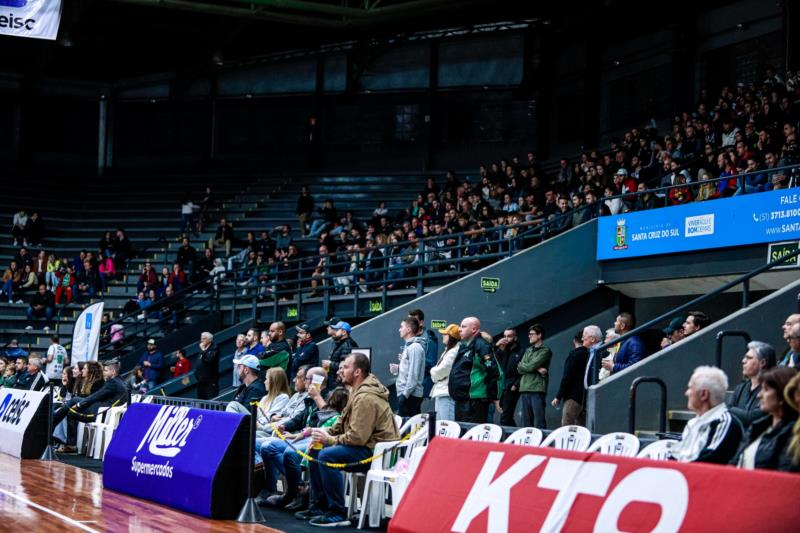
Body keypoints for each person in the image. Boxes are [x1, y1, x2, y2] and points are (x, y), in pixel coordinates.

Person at [306, 353, 399, 527]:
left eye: (345, 367)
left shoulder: (365, 397)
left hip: (376, 453)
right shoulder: (357, 391)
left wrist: (330, 440)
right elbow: (341, 423)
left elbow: (357, 438)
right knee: (316, 448)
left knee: (326, 455)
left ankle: (337, 512)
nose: (341, 371)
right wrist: (322, 434)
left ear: (357, 372)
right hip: (366, 446)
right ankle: (318, 506)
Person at [53, 359, 127, 453]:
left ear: (113, 372)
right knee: (71, 413)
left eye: (106, 371)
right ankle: (71, 445)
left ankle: (52, 421)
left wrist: (79, 405)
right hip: (104, 412)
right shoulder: (120, 382)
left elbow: (95, 396)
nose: (103, 373)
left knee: (75, 400)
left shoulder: (112, 383)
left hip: (101, 414)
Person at [673, 366, 743, 464]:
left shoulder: (724, 422)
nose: (686, 393)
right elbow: (676, 455)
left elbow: (709, 460)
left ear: (704, 394)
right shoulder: (693, 423)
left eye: (690, 388)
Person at [735, 367, 798, 471]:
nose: (759, 395)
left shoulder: (793, 435)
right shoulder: (756, 428)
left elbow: (783, 478)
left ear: (782, 395)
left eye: (766, 390)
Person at [449, 317, 501, 424]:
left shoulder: (481, 345)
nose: (459, 329)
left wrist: (495, 397)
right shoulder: (465, 346)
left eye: (463, 326)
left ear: (473, 329)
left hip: (474, 402)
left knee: (471, 435)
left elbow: (495, 372)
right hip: (461, 400)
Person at [552, 327, 596, 427]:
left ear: (574, 341)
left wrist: (558, 396)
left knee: (566, 426)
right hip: (584, 398)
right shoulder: (590, 355)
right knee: (580, 427)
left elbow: (566, 377)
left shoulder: (574, 355)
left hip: (572, 397)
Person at [728, 341, 776, 427]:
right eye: (744, 357)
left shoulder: (772, 389)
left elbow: (752, 418)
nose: (743, 361)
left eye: (749, 358)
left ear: (762, 363)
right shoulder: (740, 388)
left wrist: (729, 409)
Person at [518, 324, 552, 429]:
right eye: (529, 334)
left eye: (532, 334)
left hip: (537, 388)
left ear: (539, 335)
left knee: (539, 422)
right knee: (526, 423)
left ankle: (541, 444)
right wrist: (537, 368)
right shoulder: (528, 350)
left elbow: (529, 366)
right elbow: (519, 367)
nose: (529, 336)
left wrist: (531, 366)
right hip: (524, 387)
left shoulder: (545, 350)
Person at [393, 316, 426, 417]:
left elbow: (414, 374)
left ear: (408, 330)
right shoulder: (410, 346)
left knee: (408, 430)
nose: (399, 329)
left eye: (401, 326)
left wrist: (405, 395)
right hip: (408, 395)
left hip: (410, 396)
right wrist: (399, 368)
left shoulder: (415, 347)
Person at [430, 324, 460, 422]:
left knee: (446, 424)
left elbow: (441, 370)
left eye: (445, 334)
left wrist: (432, 371)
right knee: (440, 424)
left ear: (451, 337)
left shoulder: (454, 351)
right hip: (442, 391)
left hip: (446, 392)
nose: (443, 336)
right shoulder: (449, 350)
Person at [495, 327, 522, 426]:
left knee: (505, 418)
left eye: (509, 336)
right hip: (502, 387)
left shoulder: (521, 352)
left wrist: (515, 384)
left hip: (512, 388)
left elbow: (523, 372)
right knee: (507, 417)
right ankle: (513, 438)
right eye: (505, 336)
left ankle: (505, 440)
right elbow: (489, 358)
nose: (506, 339)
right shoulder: (502, 351)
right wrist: (497, 345)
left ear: (515, 338)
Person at [324, 321, 357, 390]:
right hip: (335, 381)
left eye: (337, 330)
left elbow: (345, 366)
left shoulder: (347, 345)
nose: (334, 332)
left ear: (344, 332)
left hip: (341, 383)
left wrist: (330, 364)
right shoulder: (340, 343)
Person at [195, 331, 220, 399]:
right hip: (201, 380)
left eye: (203, 339)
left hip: (210, 381)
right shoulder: (203, 348)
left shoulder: (214, 347)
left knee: (210, 401)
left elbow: (209, 359)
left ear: (209, 339)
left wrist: (203, 350)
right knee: (201, 400)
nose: (201, 341)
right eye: (201, 338)